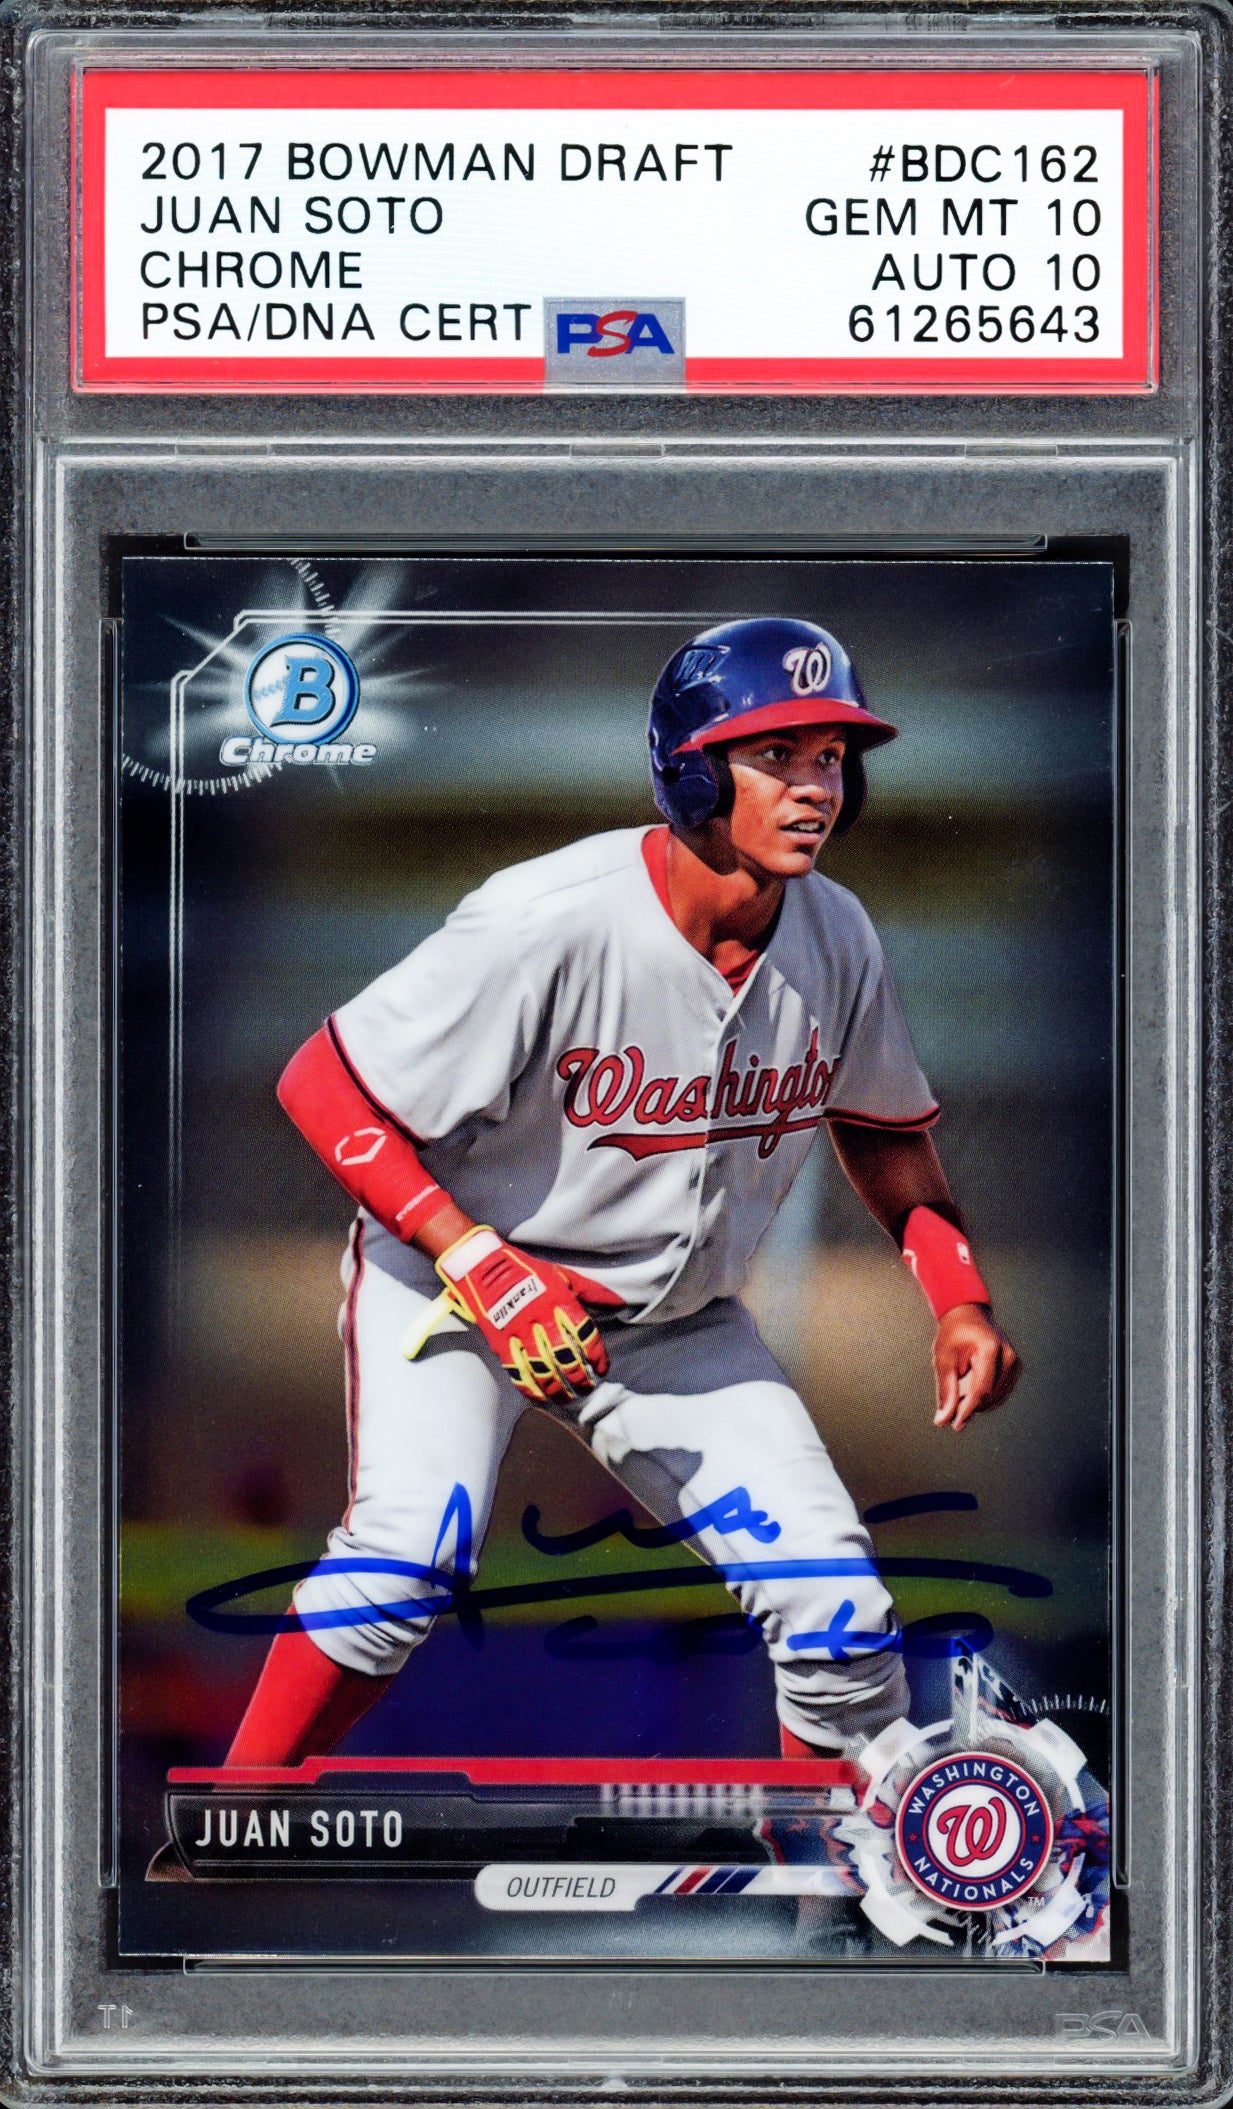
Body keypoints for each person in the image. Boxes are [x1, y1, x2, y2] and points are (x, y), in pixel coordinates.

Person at [222, 616, 1020, 1770]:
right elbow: (321, 1079)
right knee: (403, 1562)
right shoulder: (550, 916)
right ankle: (230, 1824)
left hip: (672, 1322)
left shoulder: (837, 934)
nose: (815, 786)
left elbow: (884, 1128)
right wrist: (478, 1262)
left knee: (840, 1618)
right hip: (457, 1284)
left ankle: (820, 1878)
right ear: (692, 771)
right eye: (776, 756)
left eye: (831, 758)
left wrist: (957, 1296)